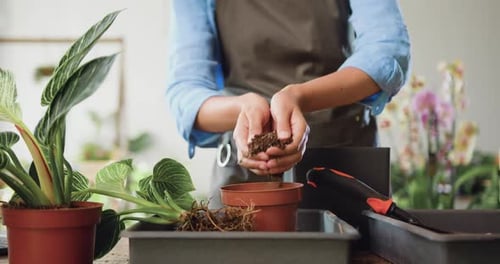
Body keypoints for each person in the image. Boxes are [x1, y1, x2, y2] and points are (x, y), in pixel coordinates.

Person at [166, 0, 411, 208]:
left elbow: (386, 52)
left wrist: (299, 97)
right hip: (243, 185)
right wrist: (246, 108)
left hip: (346, 175)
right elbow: (187, 93)